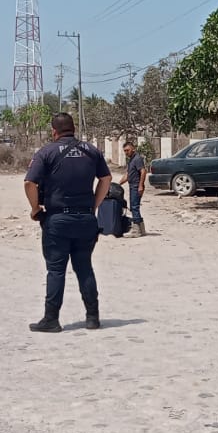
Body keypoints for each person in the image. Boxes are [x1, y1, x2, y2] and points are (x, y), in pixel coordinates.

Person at [23, 112, 111, 332]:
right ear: (73, 128)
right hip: (86, 219)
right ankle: (93, 317)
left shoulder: (46, 152)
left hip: (57, 220)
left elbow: (29, 183)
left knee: (56, 270)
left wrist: (35, 209)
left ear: (54, 131)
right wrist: (94, 207)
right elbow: (106, 179)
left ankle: (51, 319)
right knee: (85, 268)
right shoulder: (92, 151)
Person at [123, 140, 148, 237]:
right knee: (135, 206)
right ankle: (142, 230)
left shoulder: (137, 159)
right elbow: (128, 175)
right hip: (132, 185)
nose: (126, 152)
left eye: (127, 150)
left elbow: (143, 171)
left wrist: (140, 185)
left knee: (134, 207)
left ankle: (136, 231)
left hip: (136, 186)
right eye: (125, 151)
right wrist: (118, 184)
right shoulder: (131, 160)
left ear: (133, 149)